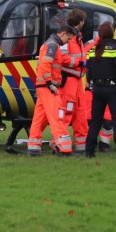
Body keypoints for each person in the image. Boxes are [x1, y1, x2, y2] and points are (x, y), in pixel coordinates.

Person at [27, 25, 76, 156]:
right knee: (57, 116)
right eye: (69, 38)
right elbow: (45, 64)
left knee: (39, 118)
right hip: (48, 86)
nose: (68, 41)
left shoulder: (49, 44)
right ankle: (64, 148)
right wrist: (50, 83)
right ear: (63, 34)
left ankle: (34, 146)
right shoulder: (53, 45)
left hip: (42, 86)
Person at [85, 21, 116, 159]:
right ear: (112, 33)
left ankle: (89, 151)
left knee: (95, 121)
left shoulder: (92, 51)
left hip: (97, 89)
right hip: (112, 89)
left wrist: (93, 84)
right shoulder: (115, 50)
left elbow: (89, 72)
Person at [59, 8, 89, 152]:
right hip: (69, 80)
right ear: (81, 21)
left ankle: (81, 144)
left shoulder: (77, 37)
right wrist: (79, 63)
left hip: (77, 80)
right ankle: (58, 143)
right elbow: (61, 58)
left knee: (80, 114)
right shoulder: (68, 38)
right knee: (66, 112)